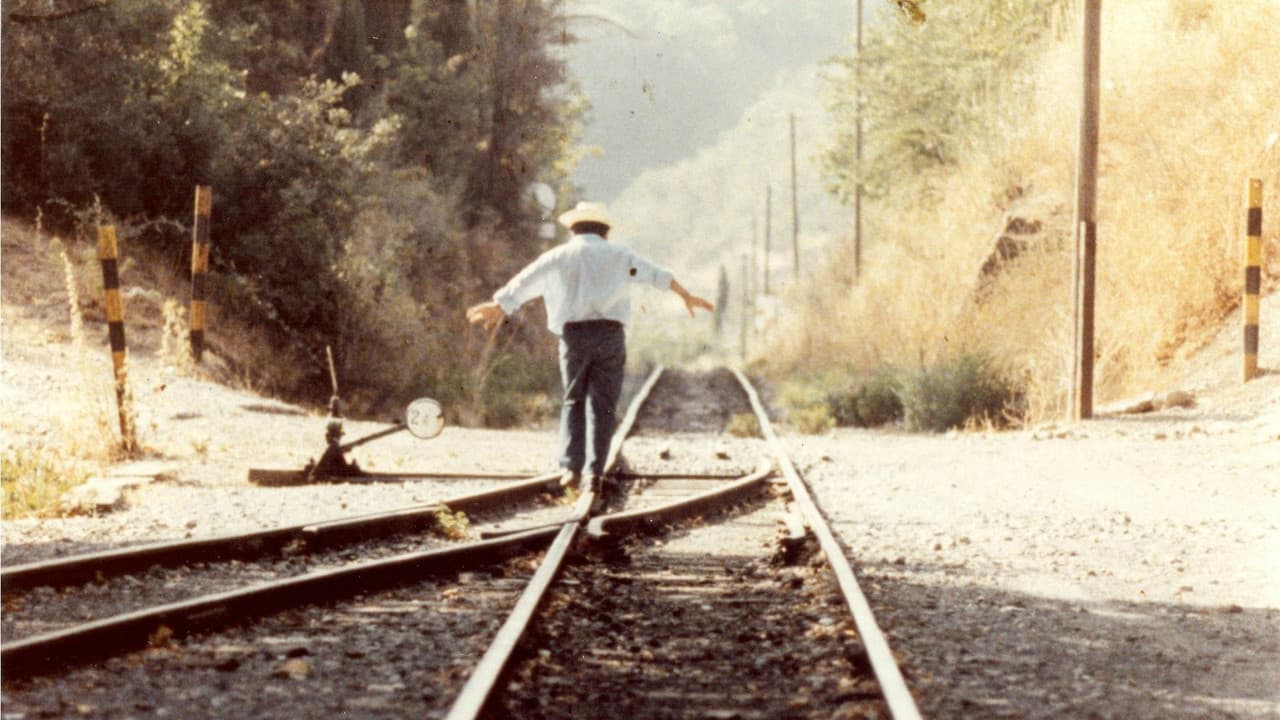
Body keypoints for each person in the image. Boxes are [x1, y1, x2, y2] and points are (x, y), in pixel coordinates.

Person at [466, 201, 714, 492]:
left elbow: (527, 281)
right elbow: (658, 275)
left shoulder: (559, 256)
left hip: (574, 336)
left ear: (573, 229)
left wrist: (500, 305)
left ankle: (571, 468)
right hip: (610, 335)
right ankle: (594, 474)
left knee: (574, 399)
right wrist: (686, 295)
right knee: (603, 405)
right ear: (606, 231)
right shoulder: (620, 255)